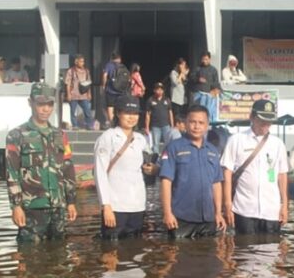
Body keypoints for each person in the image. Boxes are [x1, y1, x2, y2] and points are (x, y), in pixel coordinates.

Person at [5, 82, 77, 243]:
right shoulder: (17, 135)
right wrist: (16, 206)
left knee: (59, 256)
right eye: (41, 104)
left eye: (49, 104)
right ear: (30, 103)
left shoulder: (60, 135)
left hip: (58, 207)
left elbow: (68, 168)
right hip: (32, 208)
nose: (46, 109)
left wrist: (71, 201)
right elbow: (12, 173)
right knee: (30, 257)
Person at [221, 99, 289, 235]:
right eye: (261, 119)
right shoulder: (236, 140)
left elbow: (282, 175)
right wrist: (227, 204)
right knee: (243, 251)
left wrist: (285, 206)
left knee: (271, 251)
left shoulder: (278, 144)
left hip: (271, 210)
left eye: (269, 120)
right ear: (251, 117)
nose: (265, 124)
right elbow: (226, 173)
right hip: (244, 209)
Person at [159, 104, 226, 239]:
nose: (196, 126)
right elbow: (166, 181)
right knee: (178, 256)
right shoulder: (174, 147)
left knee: (209, 257)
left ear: (207, 125)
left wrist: (218, 213)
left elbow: (216, 184)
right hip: (181, 218)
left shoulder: (212, 150)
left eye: (201, 123)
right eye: (192, 122)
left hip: (208, 218)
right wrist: (167, 213)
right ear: (185, 123)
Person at [93, 95, 156, 240]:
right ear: (118, 113)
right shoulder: (107, 137)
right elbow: (100, 173)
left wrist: (153, 168)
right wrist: (106, 205)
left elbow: (146, 165)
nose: (131, 117)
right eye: (127, 112)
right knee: (111, 251)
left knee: (135, 251)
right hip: (115, 206)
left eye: (135, 113)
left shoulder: (141, 139)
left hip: (137, 205)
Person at [190, 51, 222, 123]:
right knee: (199, 113)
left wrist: (217, 89)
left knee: (209, 113)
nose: (205, 61)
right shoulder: (197, 68)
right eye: (203, 59)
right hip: (199, 95)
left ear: (209, 59)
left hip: (209, 95)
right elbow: (191, 78)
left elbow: (216, 82)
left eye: (206, 59)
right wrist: (198, 79)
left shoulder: (213, 70)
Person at [64, 54, 94, 130]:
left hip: (84, 95)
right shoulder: (71, 71)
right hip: (73, 94)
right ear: (76, 62)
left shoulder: (86, 71)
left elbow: (88, 83)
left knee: (87, 110)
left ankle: (89, 125)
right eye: (80, 61)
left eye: (83, 61)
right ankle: (75, 125)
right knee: (73, 111)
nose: (82, 63)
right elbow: (67, 83)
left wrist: (89, 93)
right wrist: (68, 94)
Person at [144, 82, 174, 154]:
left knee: (168, 143)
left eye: (161, 89)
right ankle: (155, 161)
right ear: (154, 90)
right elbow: (148, 115)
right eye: (157, 89)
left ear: (163, 91)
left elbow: (170, 113)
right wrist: (147, 127)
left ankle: (168, 158)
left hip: (166, 125)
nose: (159, 91)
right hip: (155, 126)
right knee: (155, 145)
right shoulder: (151, 100)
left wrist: (172, 125)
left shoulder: (167, 99)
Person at [101, 52, 124, 125]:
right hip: (120, 91)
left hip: (110, 90)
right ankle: (120, 122)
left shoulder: (109, 65)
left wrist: (103, 85)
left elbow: (105, 75)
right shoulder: (122, 66)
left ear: (112, 58)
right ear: (119, 59)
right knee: (120, 107)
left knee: (110, 106)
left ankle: (112, 123)